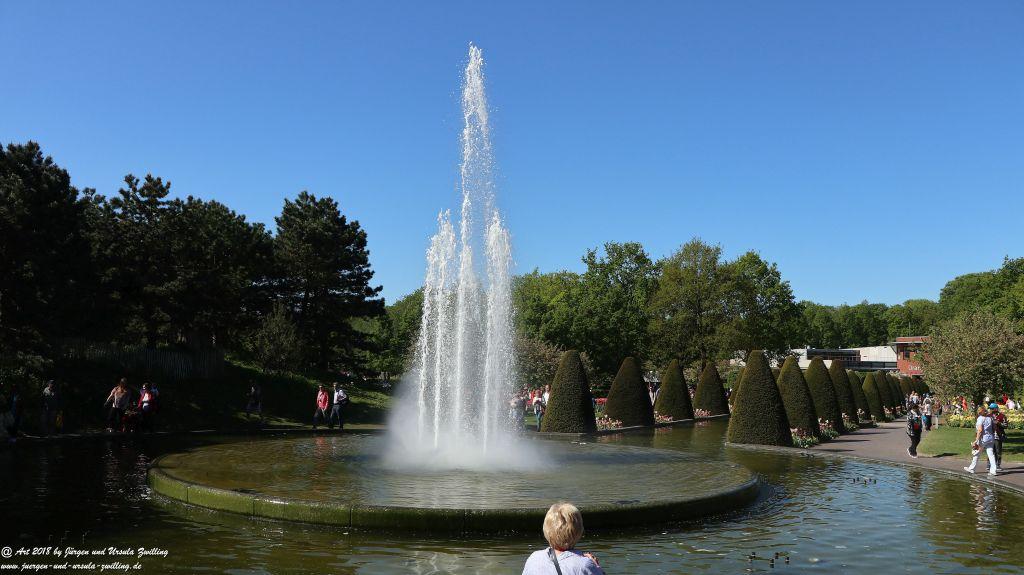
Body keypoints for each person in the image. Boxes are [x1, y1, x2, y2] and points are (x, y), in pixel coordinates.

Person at [522, 502, 604, 575]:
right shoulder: (584, 565)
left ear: (546, 529)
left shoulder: (534, 559)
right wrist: (596, 566)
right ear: (579, 531)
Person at [964, 406, 998, 476]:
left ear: (979, 412)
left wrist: (976, 440)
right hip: (990, 438)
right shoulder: (990, 418)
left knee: (976, 453)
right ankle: (993, 470)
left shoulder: (980, 419)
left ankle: (972, 468)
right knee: (991, 454)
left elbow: (980, 430)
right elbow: (994, 428)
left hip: (983, 439)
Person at [990, 403, 1007, 471]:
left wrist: (998, 423)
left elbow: (1005, 425)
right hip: (990, 436)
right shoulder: (988, 416)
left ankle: (998, 465)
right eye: (990, 408)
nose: (990, 410)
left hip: (998, 436)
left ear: (996, 409)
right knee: (990, 451)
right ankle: (989, 464)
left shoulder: (1002, 416)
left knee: (998, 451)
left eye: (992, 408)